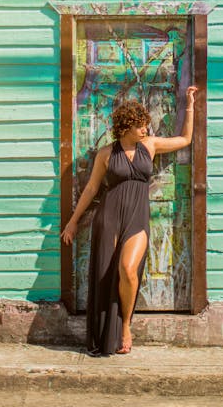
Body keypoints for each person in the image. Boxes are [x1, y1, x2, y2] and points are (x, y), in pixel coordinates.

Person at [60, 85, 198, 356]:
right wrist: (73, 221)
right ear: (126, 127)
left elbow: (185, 139)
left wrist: (189, 103)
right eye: (141, 126)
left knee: (128, 270)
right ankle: (104, 335)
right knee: (104, 276)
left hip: (137, 218)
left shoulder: (151, 145)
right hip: (108, 217)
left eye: (146, 126)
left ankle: (125, 327)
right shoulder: (106, 154)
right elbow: (90, 189)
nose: (146, 130)